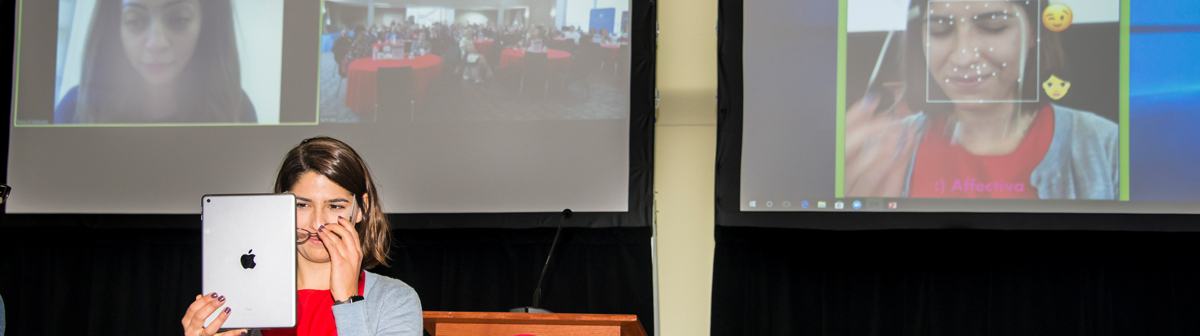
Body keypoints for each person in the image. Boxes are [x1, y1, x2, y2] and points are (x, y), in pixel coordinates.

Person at [845, 0, 1118, 200]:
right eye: (939, 29)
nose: (963, 57)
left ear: (1035, 31)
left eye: (993, 26)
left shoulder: (1107, 146)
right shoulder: (880, 156)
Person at [180, 137, 423, 336]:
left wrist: (348, 302)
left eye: (335, 206)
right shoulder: (239, 298)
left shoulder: (394, 300)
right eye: (302, 205)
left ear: (362, 208)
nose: (317, 223)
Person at [55, 0, 256, 124]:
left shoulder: (236, 110)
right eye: (135, 21)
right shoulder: (74, 110)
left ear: (207, 24)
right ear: (114, 27)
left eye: (179, 19)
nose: (156, 43)